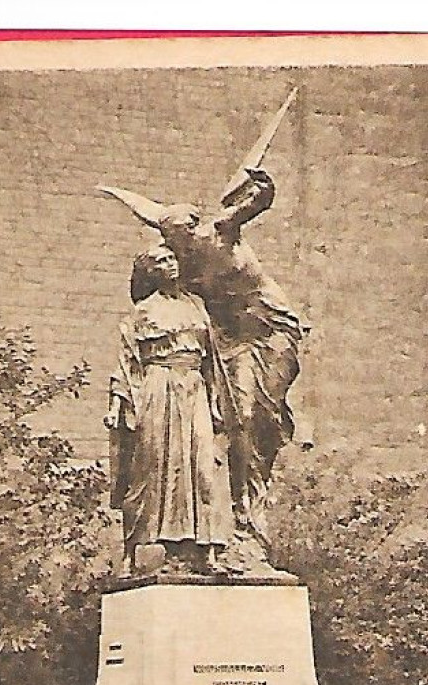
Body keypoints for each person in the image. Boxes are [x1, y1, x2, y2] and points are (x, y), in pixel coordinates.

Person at [99, 167, 307, 569]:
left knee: (257, 420)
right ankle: (238, 521)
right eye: (179, 234)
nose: (188, 236)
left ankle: (248, 520)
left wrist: (262, 187)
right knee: (234, 423)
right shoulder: (181, 274)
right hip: (225, 342)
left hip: (269, 329)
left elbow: (253, 205)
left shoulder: (218, 234)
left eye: (190, 227)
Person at [105, 245, 235, 575]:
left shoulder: (196, 306)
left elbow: (213, 361)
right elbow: (126, 363)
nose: (170, 265)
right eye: (160, 262)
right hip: (157, 386)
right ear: (150, 272)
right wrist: (120, 403)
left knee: (204, 465)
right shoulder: (142, 313)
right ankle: (146, 548)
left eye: (172, 258)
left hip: (194, 387)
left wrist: (217, 402)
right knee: (156, 465)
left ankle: (208, 550)